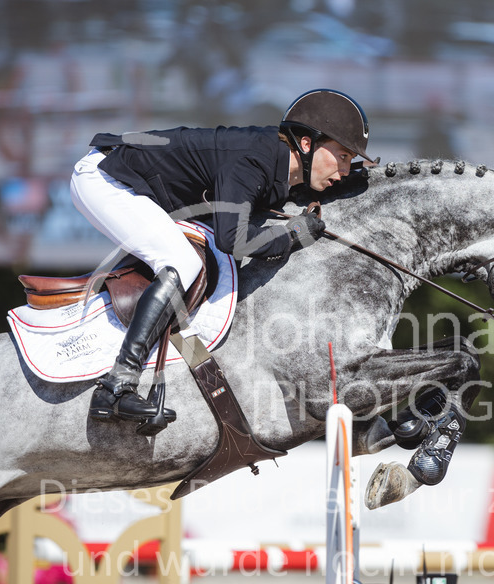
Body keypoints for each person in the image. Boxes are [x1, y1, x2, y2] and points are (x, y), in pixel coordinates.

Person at [69, 89, 375, 428]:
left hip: (140, 187)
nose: (346, 170)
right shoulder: (253, 160)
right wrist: (294, 235)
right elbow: (234, 240)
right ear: (306, 144)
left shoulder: (278, 163)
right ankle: (116, 385)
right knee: (182, 263)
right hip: (106, 180)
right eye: (343, 157)